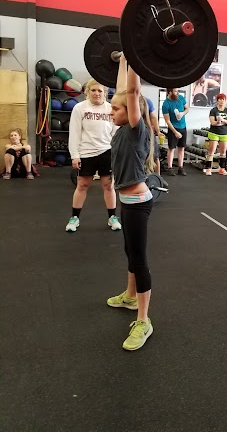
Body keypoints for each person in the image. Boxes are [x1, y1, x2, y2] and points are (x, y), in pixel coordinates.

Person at [107, 55, 155, 351]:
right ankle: (129, 296)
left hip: (137, 202)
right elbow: (123, 90)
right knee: (129, 252)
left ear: (131, 111)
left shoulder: (137, 131)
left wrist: (136, 56)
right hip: (127, 200)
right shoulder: (122, 129)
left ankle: (144, 320)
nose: (111, 112)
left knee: (139, 259)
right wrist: (124, 60)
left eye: (115, 109)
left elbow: (133, 92)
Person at [66, 79, 121, 232]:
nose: (97, 93)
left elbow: (115, 133)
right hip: (86, 152)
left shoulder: (111, 108)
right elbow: (74, 133)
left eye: (100, 91)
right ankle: (74, 218)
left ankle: (112, 217)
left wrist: (116, 154)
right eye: (93, 90)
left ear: (105, 93)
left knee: (108, 186)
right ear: (87, 92)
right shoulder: (79, 108)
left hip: (106, 151)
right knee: (82, 185)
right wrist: (74, 155)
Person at [205, 93, 227, 176]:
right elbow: (212, 122)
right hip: (214, 133)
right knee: (211, 151)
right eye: (220, 99)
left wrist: (223, 120)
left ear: (225, 101)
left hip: (224, 133)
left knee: (223, 152)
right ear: (217, 100)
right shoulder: (213, 110)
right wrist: (218, 122)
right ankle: (208, 169)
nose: (221, 101)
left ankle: (222, 169)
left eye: (223, 99)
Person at [162, 88, 189, 176]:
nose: (177, 93)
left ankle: (180, 168)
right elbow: (167, 121)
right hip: (173, 128)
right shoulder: (166, 104)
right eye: (175, 91)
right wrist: (175, 132)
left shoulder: (181, 98)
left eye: (177, 91)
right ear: (170, 92)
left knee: (181, 148)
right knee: (171, 148)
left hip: (183, 127)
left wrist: (182, 113)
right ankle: (170, 168)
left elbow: (187, 109)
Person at [144, 96, 168, 187]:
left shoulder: (146, 101)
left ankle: (158, 178)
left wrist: (158, 131)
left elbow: (153, 117)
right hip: (133, 133)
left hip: (148, 132)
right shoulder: (126, 100)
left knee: (155, 156)